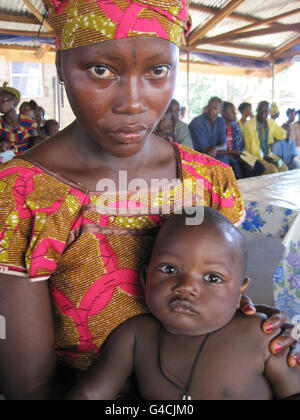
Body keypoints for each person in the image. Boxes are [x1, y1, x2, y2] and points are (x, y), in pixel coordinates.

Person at [0, 0, 298, 401]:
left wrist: (263, 329)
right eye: (101, 70)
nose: (133, 103)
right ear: (60, 69)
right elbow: (28, 387)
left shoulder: (207, 179)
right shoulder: (22, 195)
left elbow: (228, 299)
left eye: (158, 71)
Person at [67, 208, 300, 401]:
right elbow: (90, 394)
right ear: (145, 278)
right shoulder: (135, 336)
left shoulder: (260, 336)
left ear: (240, 292)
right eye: (169, 269)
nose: (186, 286)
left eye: (212, 278)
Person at [244, 101, 288, 175]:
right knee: (272, 170)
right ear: (257, 110)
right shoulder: (250, 126)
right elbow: (253, 150)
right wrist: (265, 157)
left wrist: (273, 141)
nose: (263, 113)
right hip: (253, 156)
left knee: (283, 168)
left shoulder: (270, 123)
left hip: (268, 153)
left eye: (266, 111)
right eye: (261, 110)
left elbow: (282, 134)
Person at [222, 102, 264, 179]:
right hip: (225, 155)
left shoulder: (236, 127)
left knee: (258, 165)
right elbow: (219, 149)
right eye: (231, 111)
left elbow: (240, 146)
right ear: (223, 113)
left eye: (234, 111)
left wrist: (244, 158)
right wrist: (234, 154)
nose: (234, 113)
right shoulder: (218, 128)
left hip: (237, 154)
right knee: (235, 166)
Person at [0, 83, 38, 154]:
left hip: (26, 163)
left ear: (15, 102)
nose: (0, 103)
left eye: (4, 100)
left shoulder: (29, 122)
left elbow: (37, 146)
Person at [189, 97, 229, 164]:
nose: (210, 110)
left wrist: (215, 148)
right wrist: (232, 152)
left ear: (220, 110)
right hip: (199, 159)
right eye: (209, 107)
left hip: (218, 158)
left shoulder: (221, 121)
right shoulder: (197, 122)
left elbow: (224, 145)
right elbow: (204, 150)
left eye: (215, 108)